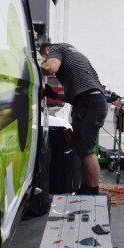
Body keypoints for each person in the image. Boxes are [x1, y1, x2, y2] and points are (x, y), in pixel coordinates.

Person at [39, 42, 108, 195]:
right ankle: (85, 187)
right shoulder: (72, 54)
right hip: (91, 102)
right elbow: (74, 96)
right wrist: (54, 94)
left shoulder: (56, 48)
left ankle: (92, 191)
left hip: (89, 103)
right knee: (83, 149)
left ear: (48, 50)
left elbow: (50, 68)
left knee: (87, 151)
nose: (46, 60)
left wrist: (34, 64)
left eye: (44, 57)